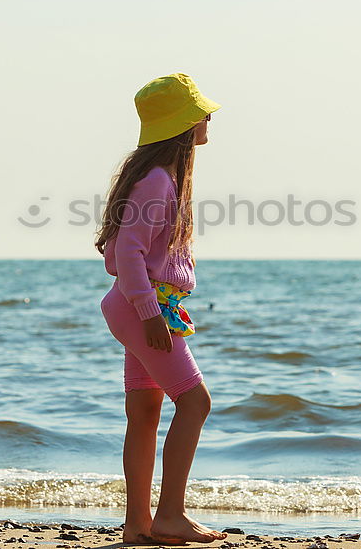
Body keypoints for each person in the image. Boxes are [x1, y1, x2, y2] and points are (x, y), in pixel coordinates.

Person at [96, 74, 228, 544]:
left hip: (143, 305)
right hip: (142, 308)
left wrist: (152, 308)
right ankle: (170, 514)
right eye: (200, 112)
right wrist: (151, 313)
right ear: (182, 123)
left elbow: (129, 248)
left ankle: (137, 525)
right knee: (195, 402)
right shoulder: (157, 181)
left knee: (146, 411)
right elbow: (129, 250)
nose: (209, 118)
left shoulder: (161, 177)